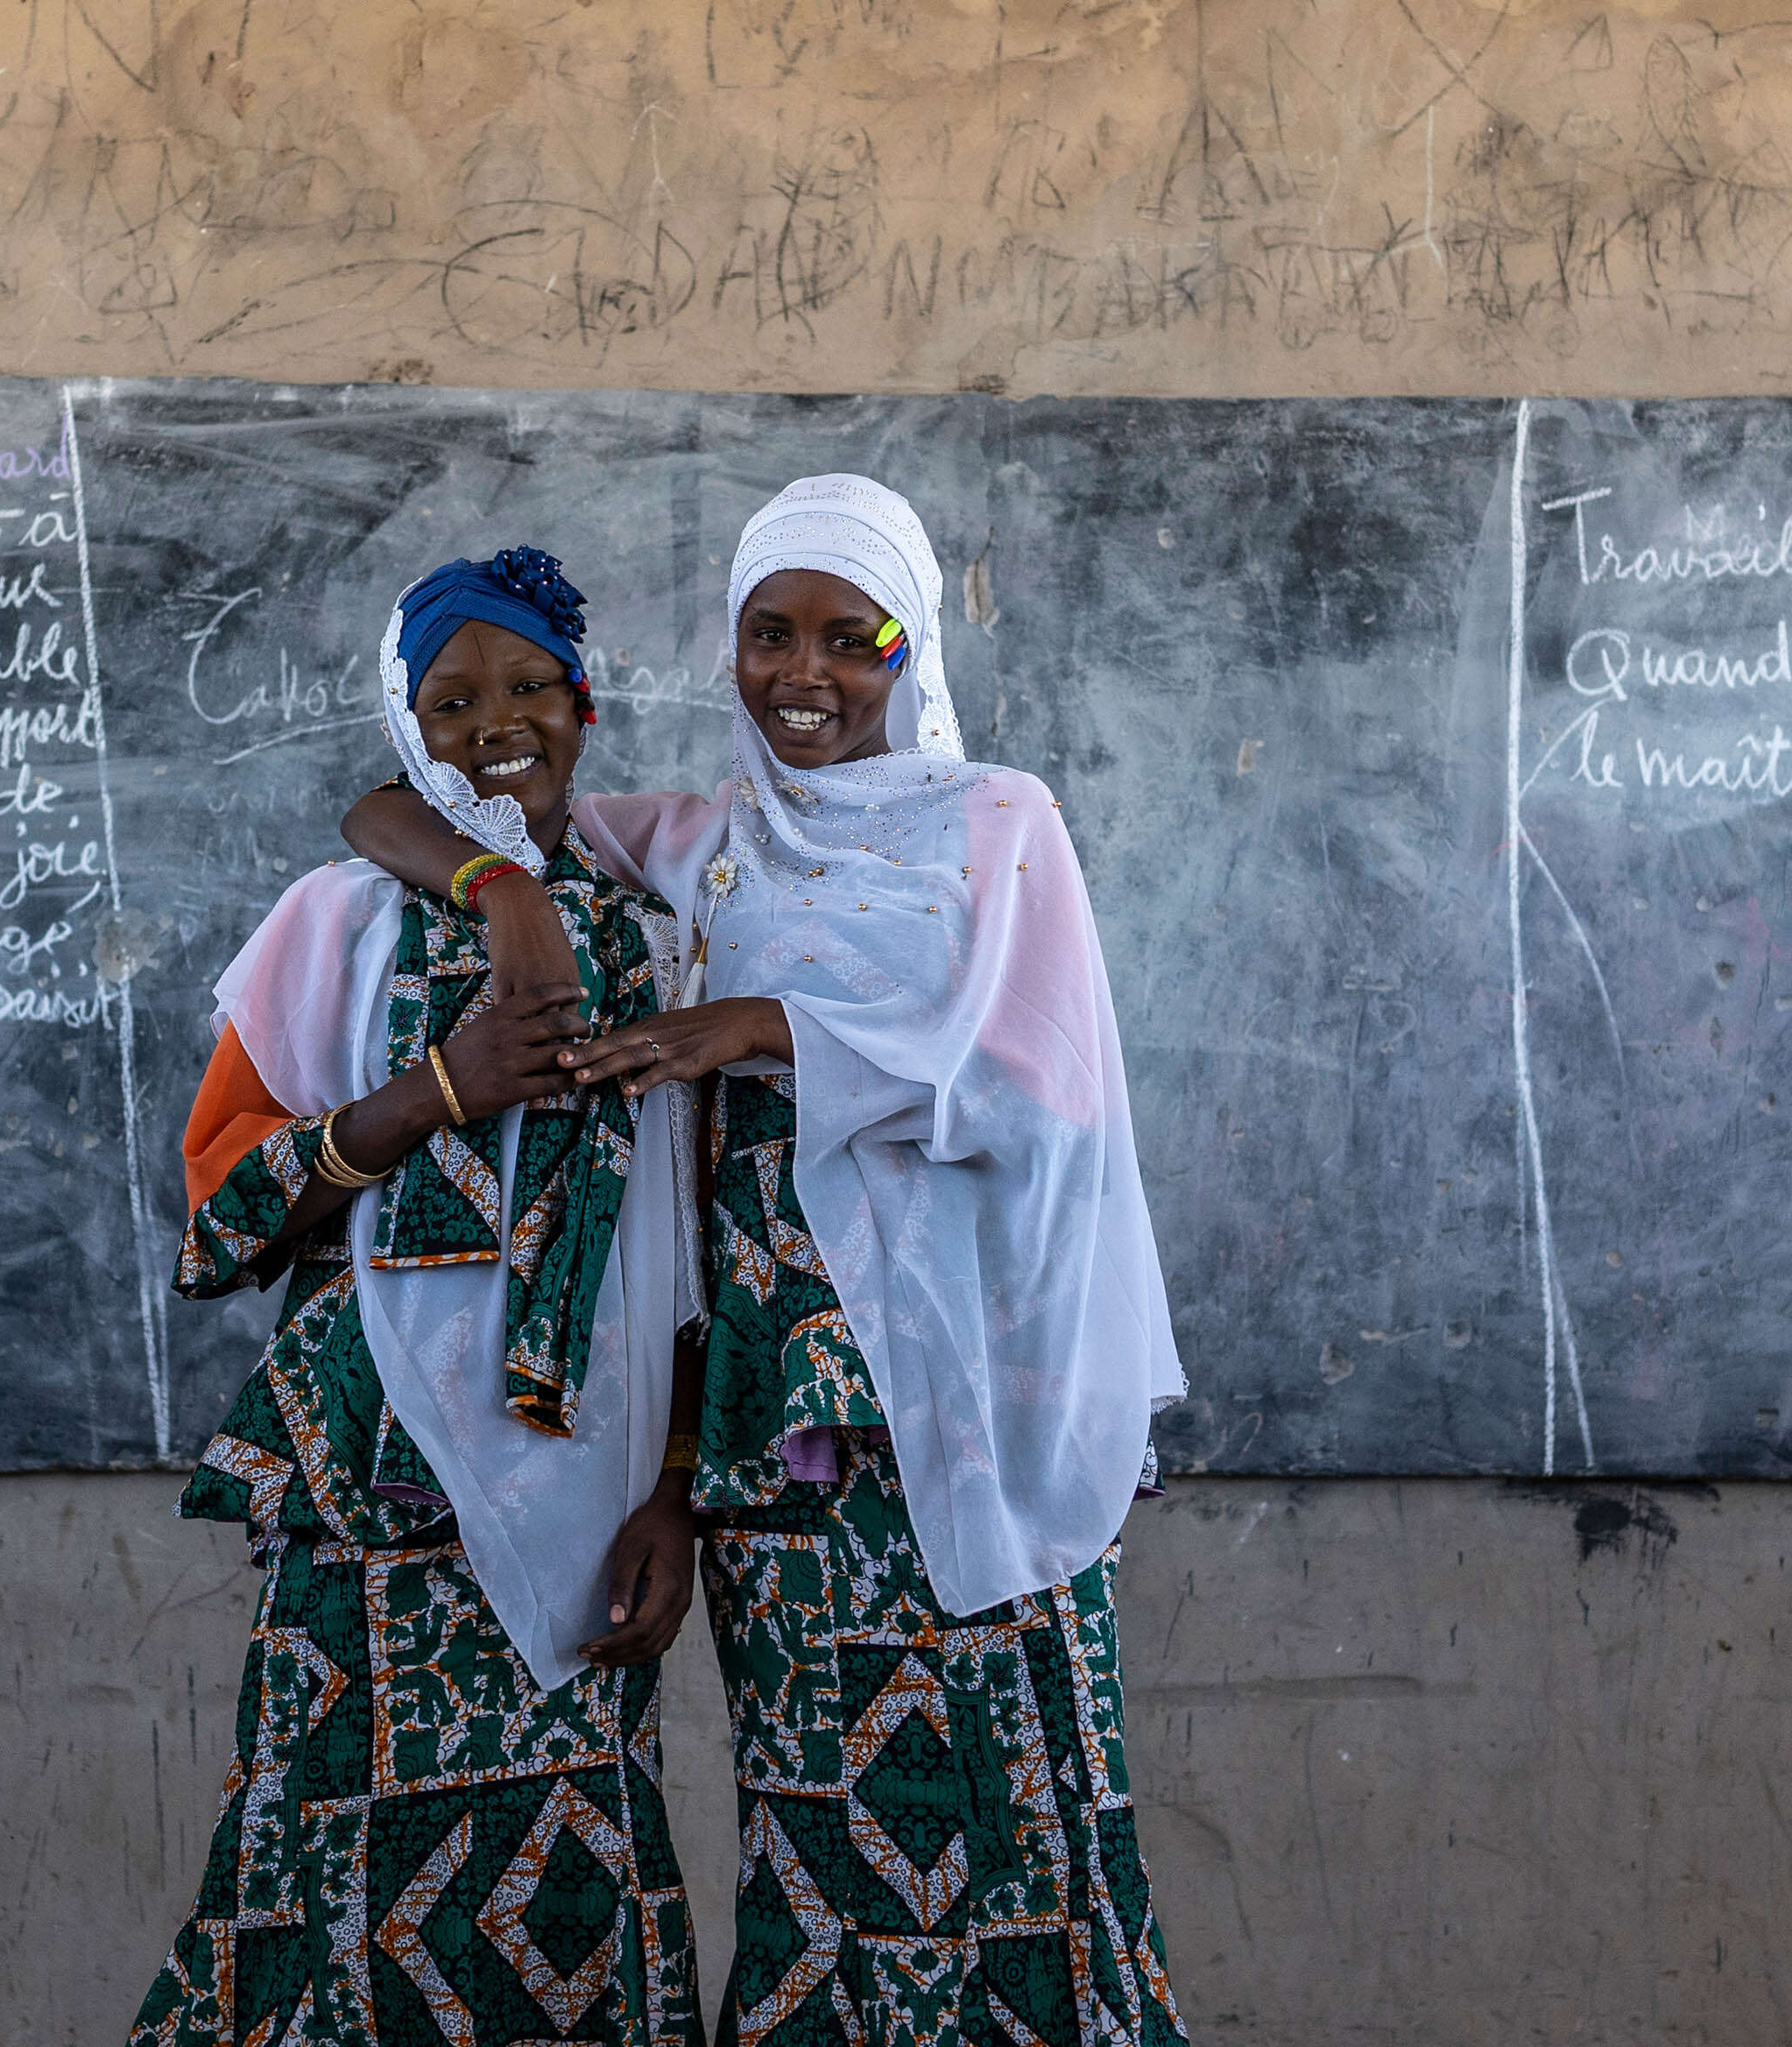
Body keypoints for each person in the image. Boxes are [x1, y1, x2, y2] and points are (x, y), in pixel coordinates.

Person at [341, 479, 1188, 2045]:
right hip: (777, 1452)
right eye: (766, 635)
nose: (806, 674)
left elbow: (1037, 1084)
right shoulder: (707, 846)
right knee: (821, 1851)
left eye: (848, 639)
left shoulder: (999, 823)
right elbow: (406, 801)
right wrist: (509, 893)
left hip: (957, 1422)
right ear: (728, 650)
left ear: (906, 646)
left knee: (1019, 1841)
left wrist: (759, 1028)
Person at [135, 549, 714, 2047]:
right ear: (408, 728)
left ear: (582, 709)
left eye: (529, 687)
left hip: (584, 1509)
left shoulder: (668, 931)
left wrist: (672, 1495)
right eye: (449, 700)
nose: (494, 723)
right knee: (322, 1894)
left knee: (561, 1912)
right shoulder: (336, 922)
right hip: (370, 1492)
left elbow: (706, 1242)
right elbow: (219, 1221)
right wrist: (433, 1093)